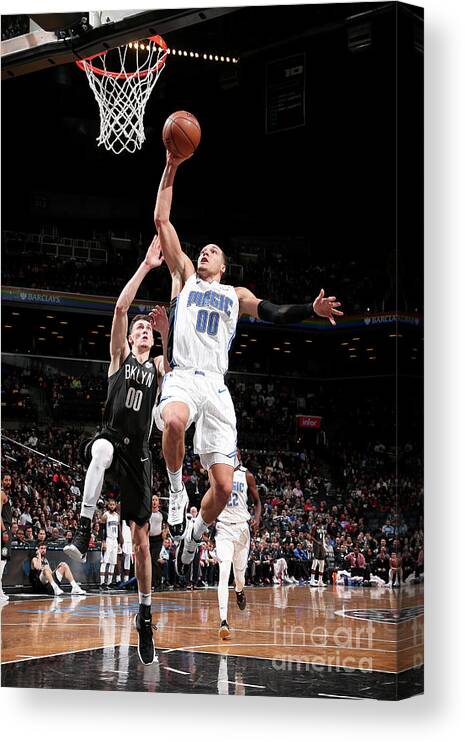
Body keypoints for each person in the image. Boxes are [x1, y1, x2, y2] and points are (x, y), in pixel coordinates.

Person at [152, 149, 343, 575]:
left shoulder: (234, 296)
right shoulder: (182, 276)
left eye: (213, 251)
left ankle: (195, 535)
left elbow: (272, 312)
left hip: (217, 387)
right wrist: (172, 163)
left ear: (224, 265)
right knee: (175, 422)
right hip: (182, 375)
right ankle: (176, 490)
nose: (205, 252)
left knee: (223, 486)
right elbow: (162, 222)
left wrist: (309, 309)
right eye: (202, 249)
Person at [64, 235, 169, 665]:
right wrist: (146, 266)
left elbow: (180, 358)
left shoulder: (160, 366)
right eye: (140, 328)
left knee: (141, 545)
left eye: (148, 329)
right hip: (111, 435)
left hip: (141, 454)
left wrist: (168, 330)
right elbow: (121, 309)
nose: (142, 330)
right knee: (100, 453)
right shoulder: (119, 359)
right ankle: (84, 524)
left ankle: (144, 614)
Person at [215, 450, 261, 639]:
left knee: (239, 576)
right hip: (223, 528)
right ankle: (223, 622)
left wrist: (257, 518)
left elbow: (258, 502)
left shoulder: (247, 475)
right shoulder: (218, 473)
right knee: (224, 572)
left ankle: (240, 590)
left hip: (242, 528)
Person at [99, 498, 120, 590]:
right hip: (107, 539)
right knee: (104, 561)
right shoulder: (105, 515)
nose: (112, 506)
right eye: (110, 504)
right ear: (108, 505)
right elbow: (102, 529)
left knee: (113, 562)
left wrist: (119, 543)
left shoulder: (117, 516)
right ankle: (102, 582)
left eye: (113, 504)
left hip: (115, 540)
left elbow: (118, 531)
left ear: (115, 505)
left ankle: (109, 582)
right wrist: (103, 541)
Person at [1, 482, 13, 601]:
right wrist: (4, 531)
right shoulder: (1, 494)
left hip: (7, 529)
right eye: (6, 479)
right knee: (2, 560)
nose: (8, 482)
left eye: (10, 480)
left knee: (3, 560)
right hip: (4, 530)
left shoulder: (6, 495)